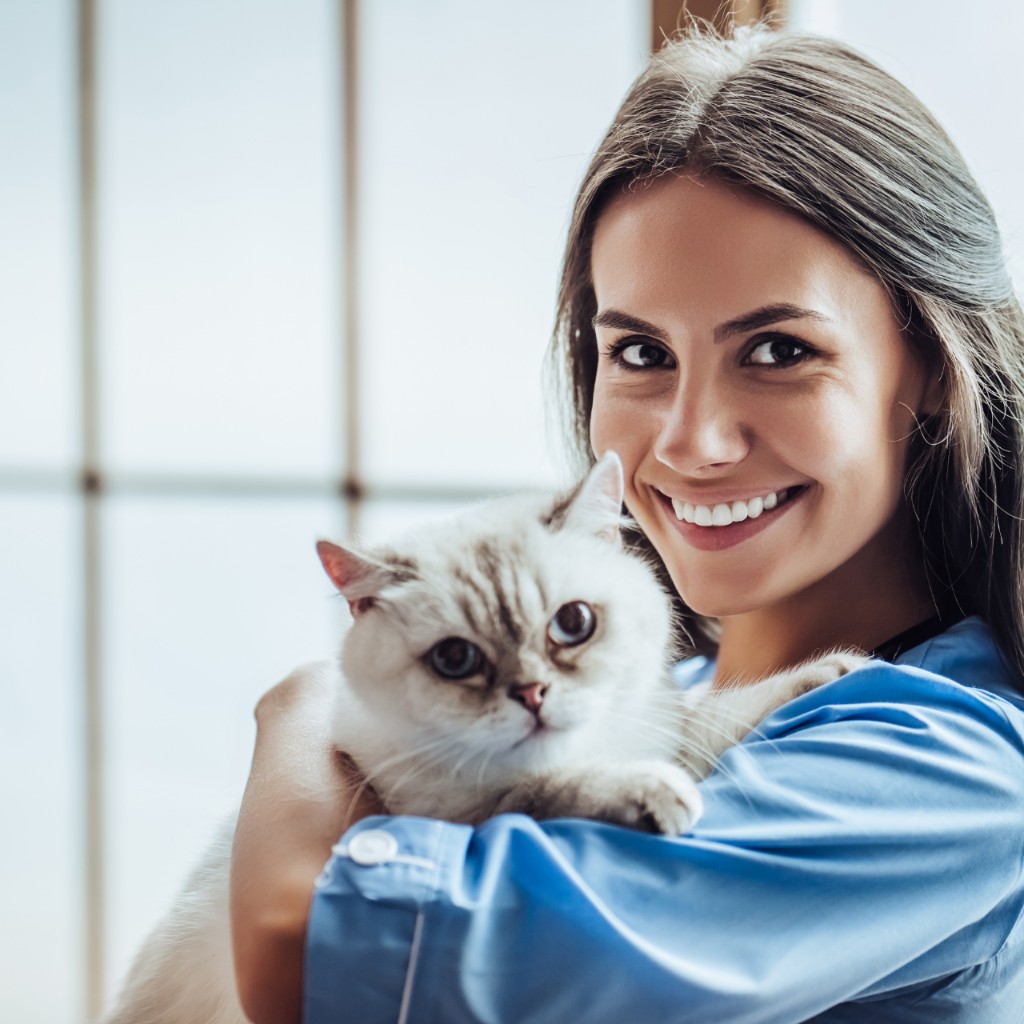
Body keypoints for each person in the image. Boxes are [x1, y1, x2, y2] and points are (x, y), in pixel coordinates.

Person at [229, 22, 1024, 1024]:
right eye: (641, 353)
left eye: (777, 350)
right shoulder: (643, 694)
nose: (692, 443)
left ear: (936, 371)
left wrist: (297, 718)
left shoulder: (935, 769)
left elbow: (294, 956)